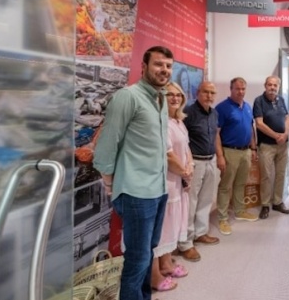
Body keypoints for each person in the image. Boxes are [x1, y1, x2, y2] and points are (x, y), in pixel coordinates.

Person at [93, 46, 172, 300]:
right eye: (159, 64)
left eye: (169, 66)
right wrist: (109, 181)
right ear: (144, 65)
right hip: (136, 192)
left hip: (158, 190)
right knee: (137, 259)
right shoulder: (128, 97)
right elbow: (107, 142)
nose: (164, 70)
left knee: (147, 253)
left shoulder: (160, 100)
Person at [151, 82, 193, 292]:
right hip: (165, 181)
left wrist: (190, 166)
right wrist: (184, 172)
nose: (175, 98)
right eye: (170, 95)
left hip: (178, 181)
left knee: (170, 225)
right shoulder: (161, 122)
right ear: (161, 98)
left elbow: (185, 148)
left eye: (179, 95)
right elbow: (167, 155)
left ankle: (167, 264)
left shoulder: (178, 121)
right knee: (160, 228)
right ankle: (155, 275)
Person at [175, 81, 222, 262]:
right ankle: (186, 243)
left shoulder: (214, 113)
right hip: (194, 162)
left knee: (206, 199)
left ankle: (200, 233)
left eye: (212, 92)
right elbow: (180, 139)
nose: (209, 96)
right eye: (206, 92)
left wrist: (219, 156)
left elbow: (216, 135)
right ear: (198, 92)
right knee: (191, 202)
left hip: (210, 160)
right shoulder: (188, 112)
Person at [215, 77, 259, 236]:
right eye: (237, 89)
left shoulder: (247, 107)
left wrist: (253, 149)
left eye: (243, 89)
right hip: (229, 151)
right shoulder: (222, 108)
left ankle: (240, 211)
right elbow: (216, 134)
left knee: (241, 183)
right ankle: (222, 218)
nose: (240, 92)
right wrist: (220, 156)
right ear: (231, 89)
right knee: (226, 186)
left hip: (245, 151)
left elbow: (250, 128)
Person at [254, 75, 289, 219]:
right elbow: (259, 123)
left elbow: (287, 118)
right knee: (266, 176)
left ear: (278, 87)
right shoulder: (259, 101)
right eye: (270, 85)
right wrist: (276, 135)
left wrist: (285, 133)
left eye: (275, 85)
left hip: (283, 145)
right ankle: (265, 204)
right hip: (267, 146)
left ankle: (277, 202)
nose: (272, 88)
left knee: (281, 174)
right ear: (265, 85)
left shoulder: (281, 100)